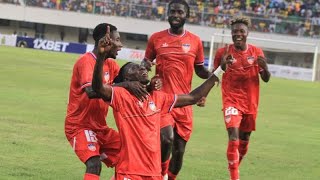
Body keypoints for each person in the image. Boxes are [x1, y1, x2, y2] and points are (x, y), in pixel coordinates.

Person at [92, 35, 221, 179]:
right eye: (134, 68)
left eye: (140, 66)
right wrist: (101, 57)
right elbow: (98, 88)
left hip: (153, 173)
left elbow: (193, 97)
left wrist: (219, 71)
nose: (141, 67)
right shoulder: (121, 96)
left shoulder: (158, 97)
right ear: (127, 79)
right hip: (129, 172)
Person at [64, 23, 149, 180]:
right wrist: (125, 84)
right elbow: (91, 91)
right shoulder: (86, 62)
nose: (120, 44)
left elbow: (126, 83)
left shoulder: (111, 65)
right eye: (117, 40)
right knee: (94, 164)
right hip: (79, 126)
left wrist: (144, 72)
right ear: (106, 40)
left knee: (129, 154)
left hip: (100, 128)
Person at [141, 0, 213, 179]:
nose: (175, 15)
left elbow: (200, 70)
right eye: (172, 11)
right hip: (162, 100)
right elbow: (145, 63)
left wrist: (214, 74)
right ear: (167, 14)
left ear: (186, 15)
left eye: (180, 12)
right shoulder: (156, 38)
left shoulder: (195, 41)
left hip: (184, 102)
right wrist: (145, 66)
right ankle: (160, 175)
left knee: (179, 151)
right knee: (166, 139)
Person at [213, 17, 271, 180]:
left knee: (244, 139)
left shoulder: (256, 52)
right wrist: (222, 66)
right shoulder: (223, 52)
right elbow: (214, 77)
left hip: (250, 103)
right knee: (233, 136)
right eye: (235, 32)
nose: (238, 34)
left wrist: (265, 68)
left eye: (241, 31)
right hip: (231, 101)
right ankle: (234, 177)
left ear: (247, 33)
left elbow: (265, 78)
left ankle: (234, 163)